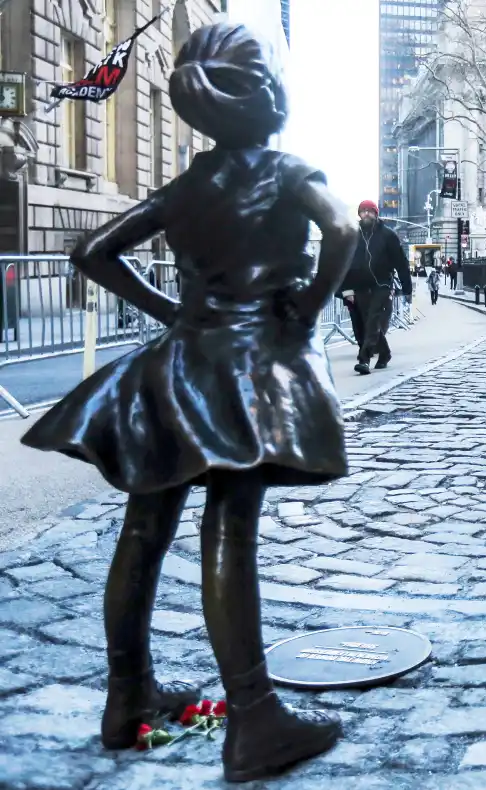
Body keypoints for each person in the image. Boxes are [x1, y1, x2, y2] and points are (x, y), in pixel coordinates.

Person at [21, 23, 357, 782]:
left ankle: (127, 698)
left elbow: (90, 252)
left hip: (177, 365)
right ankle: (254, 718)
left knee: (144, 527)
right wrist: (306, 304)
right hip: (248, 371)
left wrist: (168, 313)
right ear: (266, 93)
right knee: (229, 526)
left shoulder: (187, 185)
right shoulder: (283, 169)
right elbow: (341, 227)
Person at [338, 200, 412, 374]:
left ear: (376, 214)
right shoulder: (353, 236)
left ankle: (364, 359)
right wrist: (346, 289)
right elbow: (344, 263)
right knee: (367, 322)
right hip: (360, 285)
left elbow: (401, 263)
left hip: (383, 284)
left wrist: (407, 288)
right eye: (363, 211)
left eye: (370, 211)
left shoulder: (388, 235)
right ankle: (384, 354)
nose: (366, 214)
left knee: (373, 319)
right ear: (359, 215)